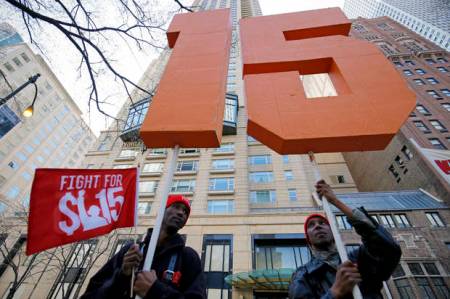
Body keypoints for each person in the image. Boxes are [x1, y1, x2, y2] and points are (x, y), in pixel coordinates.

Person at [288, 180, 402, 299]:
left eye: (322, 223)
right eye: (311, 225)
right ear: (309, 241)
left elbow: (389, 249)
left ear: (333, 232)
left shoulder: (359, 258)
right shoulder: (302, 276)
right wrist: (335, 292)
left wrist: (335, 201)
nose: (317, 226)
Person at [81, 195, 206, 299]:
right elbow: (90, 295)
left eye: (185, 211)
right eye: (176, 207)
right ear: (161, 211)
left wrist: (156, 290)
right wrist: (123, 276)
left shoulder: (188, 256)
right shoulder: (130, 251)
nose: (181, 213)